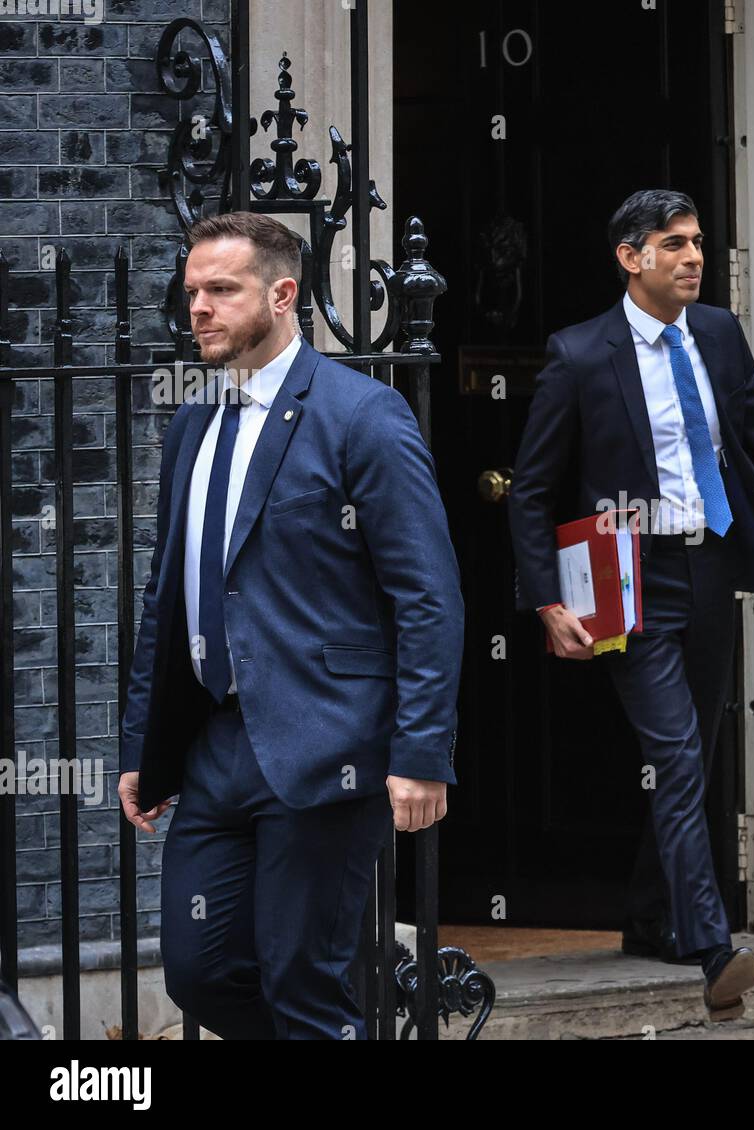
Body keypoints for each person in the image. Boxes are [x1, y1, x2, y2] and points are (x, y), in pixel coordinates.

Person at [508, 189, 754, 1019]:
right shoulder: (578, 356)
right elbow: (529, 491)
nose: (693, 257)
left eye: (699, 243)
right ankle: (712, 952)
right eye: (673, 244)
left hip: (709, 569)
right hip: (625, 583)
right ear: (629, 257)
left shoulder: (716, 334)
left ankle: (648, 913)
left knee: (697, 755)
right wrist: (544, 601)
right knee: (676, 757)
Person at [116, 212, 464, 1039]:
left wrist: (421, 752)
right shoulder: (192, 426)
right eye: (193, 290)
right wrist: (142, 745)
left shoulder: (362, 416)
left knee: (304, 979)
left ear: (282, 294)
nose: (198, 307)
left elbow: (429, 596)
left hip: (328, 744)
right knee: (201, 973)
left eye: (221, 290)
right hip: (217, 748)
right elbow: (168, 599)